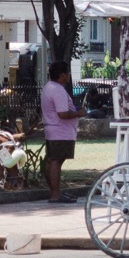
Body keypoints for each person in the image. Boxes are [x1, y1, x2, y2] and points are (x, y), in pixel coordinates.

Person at [40, 60, 83, 203]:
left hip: (53, 130)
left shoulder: (48, 87)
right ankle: (55, 194)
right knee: (56, 161)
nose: (69, 75)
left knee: (51, 161)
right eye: (67, 73)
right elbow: (63, 114)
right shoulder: (57, 90)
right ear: (62, 75)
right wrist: (80, 113)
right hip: (60, 131)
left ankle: (54, 192)